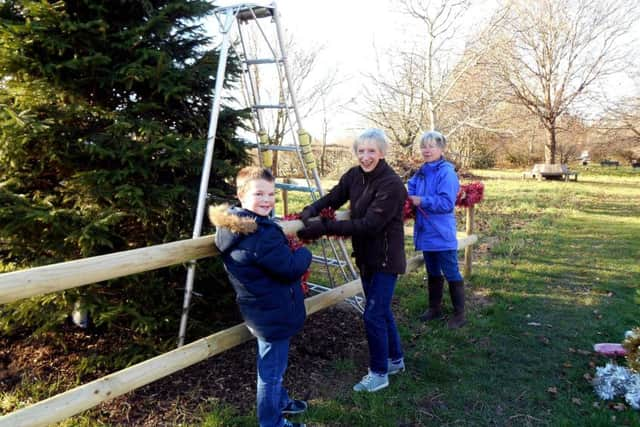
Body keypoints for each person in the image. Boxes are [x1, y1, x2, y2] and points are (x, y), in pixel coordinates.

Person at [296, 128, 406, 393]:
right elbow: (334, 196)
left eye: (371, 151)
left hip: (386, 258)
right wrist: (312, 209)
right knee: (380, 311)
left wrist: (325, 227)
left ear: (381, 153)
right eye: (361, 151)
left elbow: (370, 225)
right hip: (366, 256)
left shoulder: (391, 184)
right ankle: (395, 360)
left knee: (373, 315)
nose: (365, 156)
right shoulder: (355, 175)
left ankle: (379, 373)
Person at [210, 166, 311, 427]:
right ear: (241, 195)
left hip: (260, 309)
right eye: (259, 194)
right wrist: (305, 252)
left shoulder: (235, 226)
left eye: (271, 193)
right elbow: (290, 268)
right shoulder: (260, 235)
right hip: (273, 312)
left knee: (274, 365)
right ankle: (272, 422)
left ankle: (280, 401)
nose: (267, 200)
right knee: (271, 374)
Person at [407, 130, 466, 329]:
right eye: (424, 146)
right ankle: (435, 308)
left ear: (441, 149)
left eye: (431, 146)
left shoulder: (446, 173)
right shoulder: (422, 171)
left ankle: (460, 314)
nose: (426, 150)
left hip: (441, 232)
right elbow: (410, 188)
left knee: (451, 272)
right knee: (432, 271)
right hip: (425, 231)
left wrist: (421, 200)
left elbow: (446, 203)